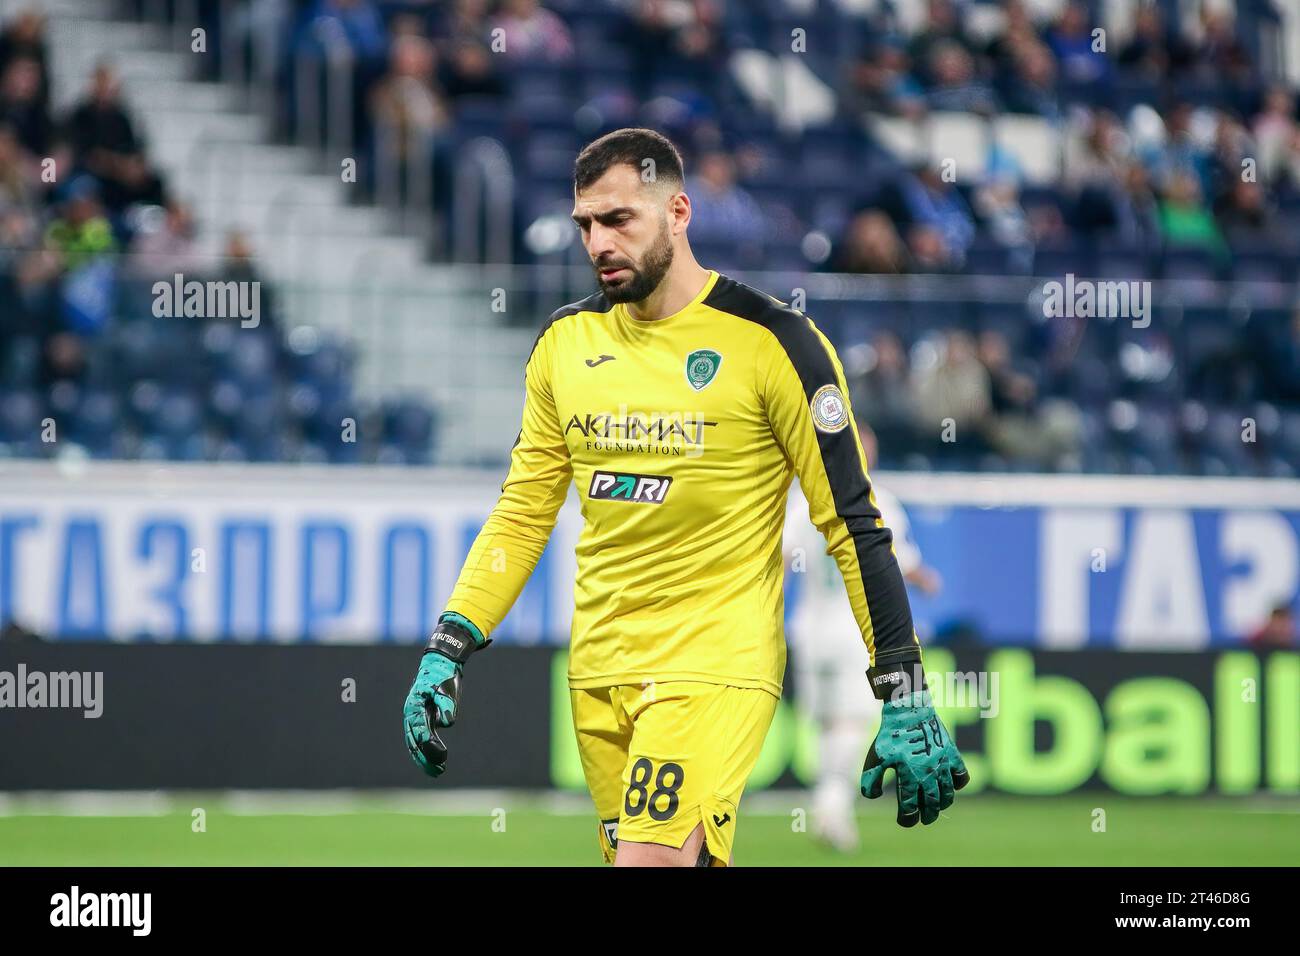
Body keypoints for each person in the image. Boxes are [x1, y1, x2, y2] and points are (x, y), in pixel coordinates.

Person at [401, 127, 968, 866]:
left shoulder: (776, 342)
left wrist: (903, 684)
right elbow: (523, 510)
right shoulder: (563, 346)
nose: (598, 242)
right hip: (599, 670)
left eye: (618, 220)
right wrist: (450, 644)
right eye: (585, 225)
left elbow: (853, 524)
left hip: (714, 661)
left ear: (678, 211)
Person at [785, 419, 941, 852]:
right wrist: (927, 581)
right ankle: (832, 804)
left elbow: (780, 561)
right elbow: (899, 564)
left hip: (809, 629)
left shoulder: (804, 500)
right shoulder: (880, 500)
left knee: (826, 725)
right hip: (856, 631)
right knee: (853, 721)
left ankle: (828, 804)